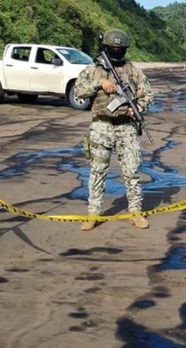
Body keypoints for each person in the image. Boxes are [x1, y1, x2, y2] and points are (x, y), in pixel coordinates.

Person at [74, 29, 154, 231]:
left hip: (126, 127)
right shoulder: (93, 69)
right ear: (108, 48)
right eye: (113, 48)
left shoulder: (133, 70)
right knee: (98, 170)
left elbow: (148, 94)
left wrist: (138, 108)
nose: (117, 52)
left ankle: (135, 212)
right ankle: (93, 214)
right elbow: (78, 91)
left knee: (132, 170)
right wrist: (99, 82)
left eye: (120, 49)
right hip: (102, 125)